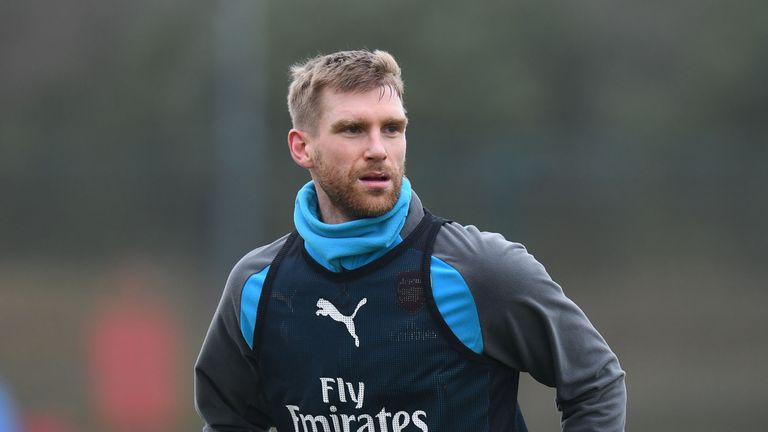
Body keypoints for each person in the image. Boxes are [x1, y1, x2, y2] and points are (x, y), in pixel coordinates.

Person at [195, 49, 626, 432]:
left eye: (392, 128)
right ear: (302, 147)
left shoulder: (481, 271)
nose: (378, 149)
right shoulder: (257, 288)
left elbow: (595, 382)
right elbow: (228, 420)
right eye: (353, 129)